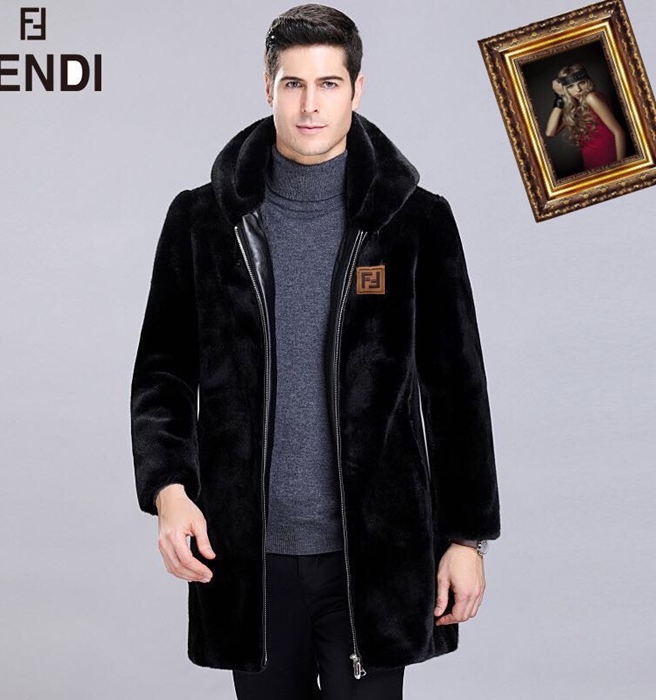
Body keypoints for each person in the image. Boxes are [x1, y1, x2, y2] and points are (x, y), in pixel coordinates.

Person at [131, 4, 501, 699]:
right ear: (267, 87)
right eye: (293, 84)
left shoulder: (416, 222)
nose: (309, 105)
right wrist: (169, 492)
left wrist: (466, 539)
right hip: (248, 553)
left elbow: (457, 391)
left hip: (376, 557)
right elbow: (162, 375)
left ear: (357, 90)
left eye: (328, 84)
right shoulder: (201, 221)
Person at [545, 63, 626, 171]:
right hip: (590, 160)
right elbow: (550, 132)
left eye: (581, 83)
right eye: (570, 86)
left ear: (587, 82)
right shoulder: (575, 107)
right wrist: (559, 98)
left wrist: (621, 167)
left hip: (607, 156)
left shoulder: (591, 98)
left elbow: (619, 132)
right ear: (565, 89)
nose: (578, 89)